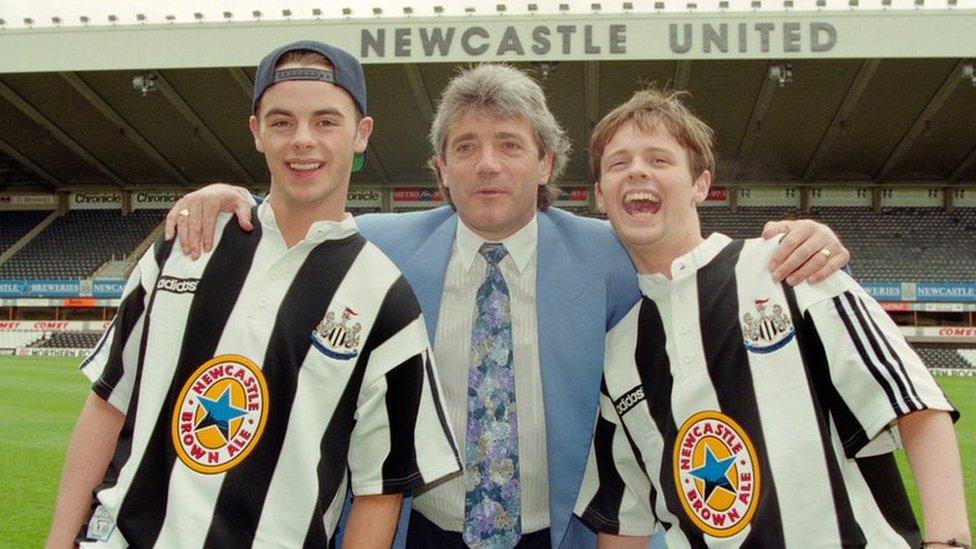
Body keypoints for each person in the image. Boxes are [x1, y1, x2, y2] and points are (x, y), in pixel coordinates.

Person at [164, 64, 849, 548]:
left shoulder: (609, 252)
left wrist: (803, 235)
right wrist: (226, 202)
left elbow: (688, 256)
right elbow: (291, 225)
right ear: (440, 169)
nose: (488, 164)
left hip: (557, 533)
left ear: (547, 163)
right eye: (466, 147)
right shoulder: (378, 247)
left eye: (509, 145)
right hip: (420, 530)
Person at [46, 40, 460, 548]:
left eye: (326, 122)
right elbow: (108, 403)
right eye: (282, 122)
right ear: (256, 132)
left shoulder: (384, 299)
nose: (302, 141)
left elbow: (380, 491)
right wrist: (60, 539)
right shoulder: (186, 242)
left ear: (361, 134)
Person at [574, 88, 970, 548]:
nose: (638, 169)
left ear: (701, 184)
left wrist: (949, 542)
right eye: (619, 163)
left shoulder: (793, 266)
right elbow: (626, 521)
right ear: (600, 196)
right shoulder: (619, 354)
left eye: (660, 160)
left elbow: (913, 401)